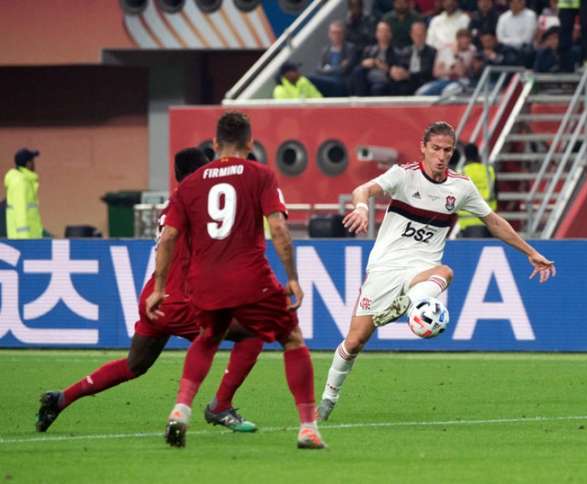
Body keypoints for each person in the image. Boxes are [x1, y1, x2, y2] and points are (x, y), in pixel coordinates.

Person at [317, 121, 556, 420]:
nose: (441, 156)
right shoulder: (404, 175)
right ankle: (328, 397)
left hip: (422, 265)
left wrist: (531, 252)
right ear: (423, 148)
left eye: (447, 150)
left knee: (445, 272)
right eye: (436, 149)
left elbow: (493, 221)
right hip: (385, 267)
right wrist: (362, 208)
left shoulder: (461, 186)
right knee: (354, 342)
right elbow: (362, 190)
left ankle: (414, 305)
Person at [35, 148, 265, 433]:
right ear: (197, 173)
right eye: (207, 169)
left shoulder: (177, 202)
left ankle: (61, 399)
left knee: (135, 365)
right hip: (182, 301)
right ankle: (220, 406)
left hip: (156, 298)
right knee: (253, 331)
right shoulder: (198, 203)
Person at [148, 112, 325, 449]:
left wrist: (158, 288)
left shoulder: (190, 184)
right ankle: (308, 428)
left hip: (204, 281)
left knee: (208, 336)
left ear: (214, 144)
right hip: (249, 277)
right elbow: (279, 229)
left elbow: (168, 237)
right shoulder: (260, 174)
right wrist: (292, 278)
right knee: (291, 338)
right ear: (249, 143)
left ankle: (180, 408)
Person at [416, 28, 478, 96]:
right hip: (443, 81)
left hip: (461, 82)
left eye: (467, 39)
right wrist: (450, 71)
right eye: (463, 39)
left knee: (448, 92)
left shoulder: (471, 51)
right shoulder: (446, 50)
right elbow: (436, 73)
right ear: (458, 40)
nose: (465, 41)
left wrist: (456, 55)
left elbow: (461, 72)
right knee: (421, 92)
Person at [308, 21, 359, 97]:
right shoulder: (326, 50)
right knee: (310, 78)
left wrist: (328, 69)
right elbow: (318, 68)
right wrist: (333, 69)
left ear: (343, 34)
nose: (336, 35)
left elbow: (343, 70)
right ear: (329, 34)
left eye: (338, 33)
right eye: (333, 33)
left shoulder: (350, 48)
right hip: (326, 79)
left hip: (341, 81)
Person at [457, 143, 497, 237]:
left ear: (465, 156)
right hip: (489, 220)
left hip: (468, 222)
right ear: (478, 154)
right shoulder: (489, 171)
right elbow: (496, 193)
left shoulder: (461, 173)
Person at [350, 21, 400, 96]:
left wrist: (378, 64)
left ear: (390, 34)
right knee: (357, 71)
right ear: (376, 34)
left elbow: (395, 70)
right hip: (368, 75)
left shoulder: (396, 51)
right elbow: (362, 63)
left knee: (377, 88)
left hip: (385, 78)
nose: (383, 34)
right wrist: (365, 63)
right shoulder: (369, 50)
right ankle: (359, 100)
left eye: (385, 31)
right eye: (380, 31)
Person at [389, 21, 438, 95]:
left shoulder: (432, 52)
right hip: (406, 83)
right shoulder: (405, 51)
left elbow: (427, 72)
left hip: (423, 83)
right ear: (411, 35)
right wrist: (396, 71)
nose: (418, 38)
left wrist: (408, 75)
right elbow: (400, 66)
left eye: (421, 35)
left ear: (426, 35)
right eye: (416, 35)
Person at [5, 148, 43, 239]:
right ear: (28, 163)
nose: (34, 164)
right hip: (24, 240)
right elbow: (20, 210)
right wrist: (24, 240)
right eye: (32, 161)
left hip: (31, 238)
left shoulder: (26, 180)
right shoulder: (20, 182)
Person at [496, 0, 537, 66]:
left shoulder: (531, 15)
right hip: (507, 49)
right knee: (505, 53)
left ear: (523, 2)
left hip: (524, 49)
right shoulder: (503, 17)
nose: (515, 4)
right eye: (512, 2)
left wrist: (510, 41)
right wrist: (513, 42)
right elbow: (500, 38)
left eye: (518, 2)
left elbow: (527, 38)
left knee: (527, 50)